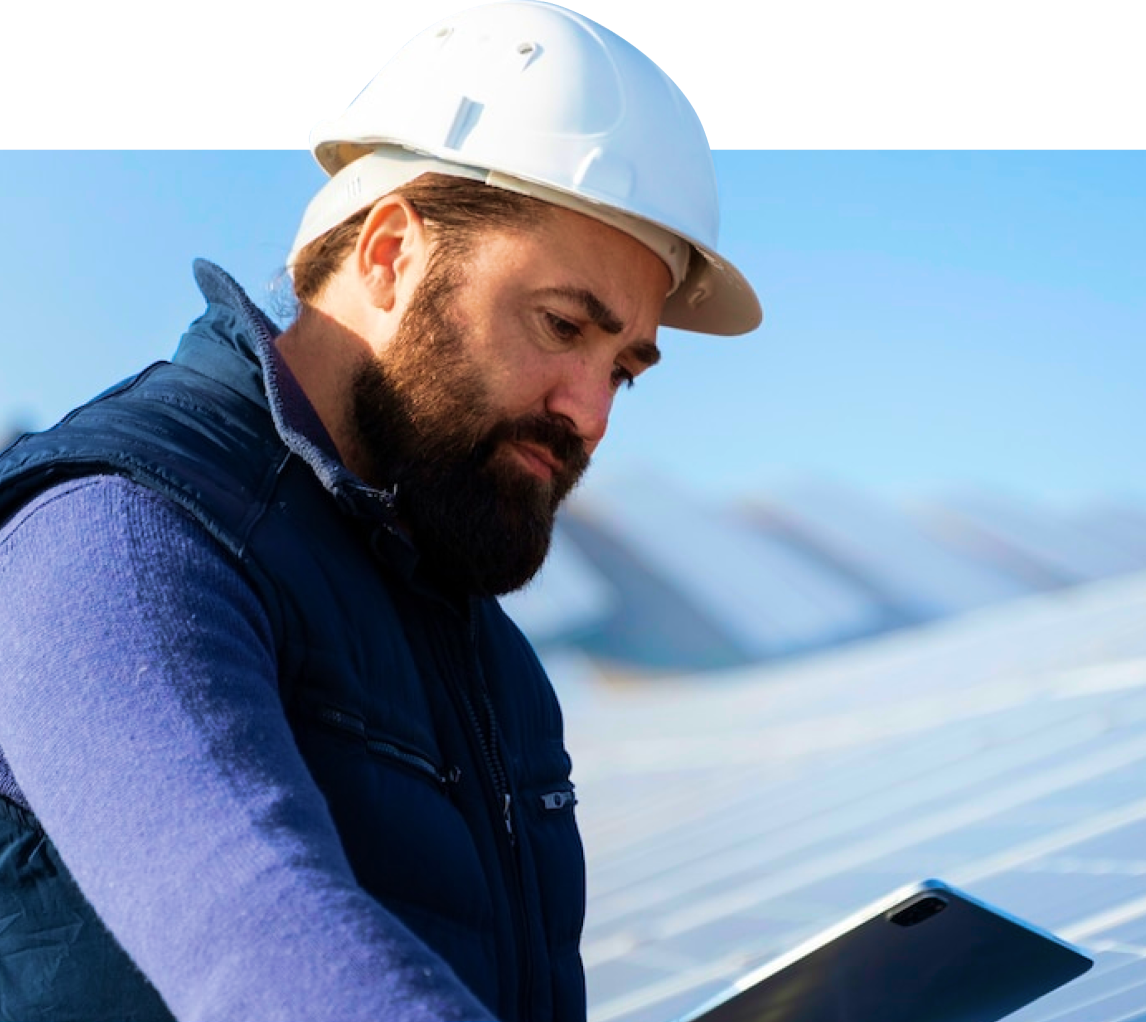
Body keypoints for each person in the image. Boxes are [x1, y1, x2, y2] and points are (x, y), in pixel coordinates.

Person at [0, 4, 760, 1020]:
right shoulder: (121, 540)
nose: (591, 412)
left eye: (623, 367)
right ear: (393, 253)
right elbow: (258, 940)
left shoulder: (494, 664)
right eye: (562, 324)